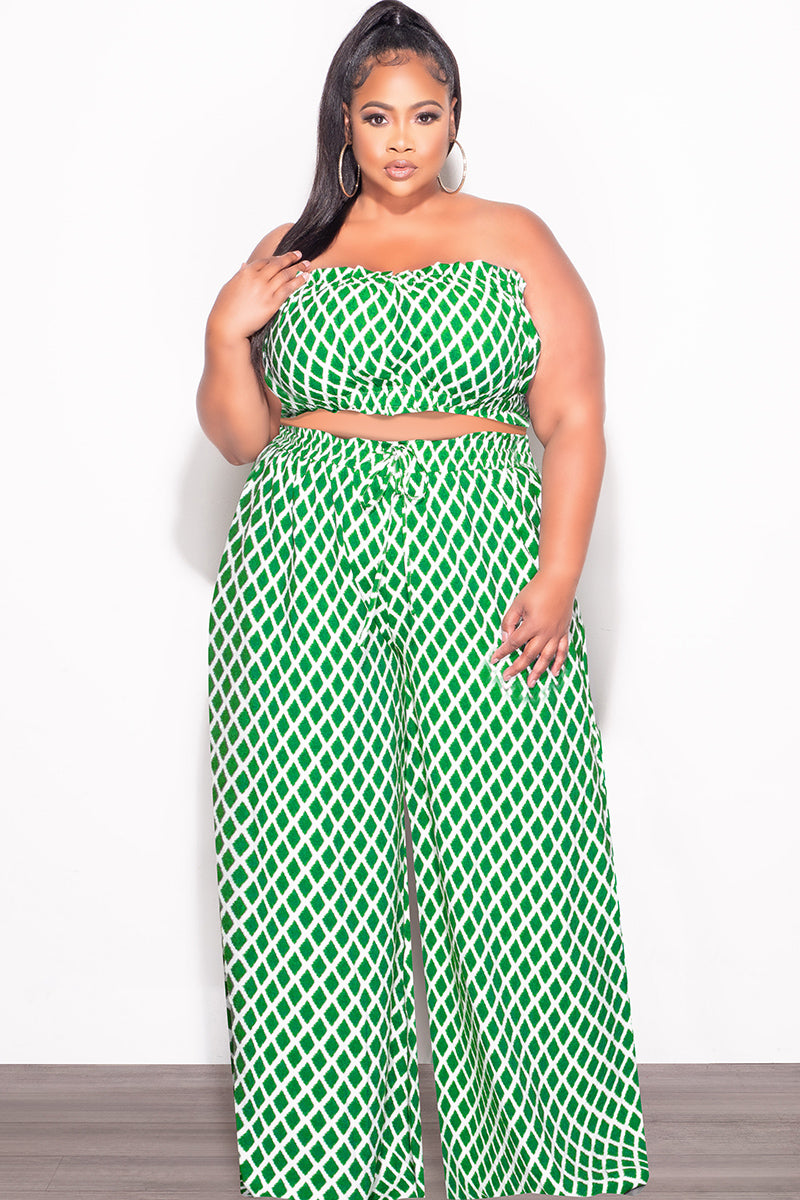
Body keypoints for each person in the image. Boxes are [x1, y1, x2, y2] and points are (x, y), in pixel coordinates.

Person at [197, 3, 650, 1197]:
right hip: (299, 558)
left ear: (454, 121)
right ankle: (326, 1166)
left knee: (515, 852)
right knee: (304, 855)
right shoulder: (291, 250)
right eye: (377, 116)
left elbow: (573, 415)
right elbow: (241, 438)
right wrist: (225, 333)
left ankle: (548, 1161)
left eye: (425, 115)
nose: (401, 140)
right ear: (342, 124)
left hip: (481, 553)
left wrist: (557, 573)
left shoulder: (512, 237)